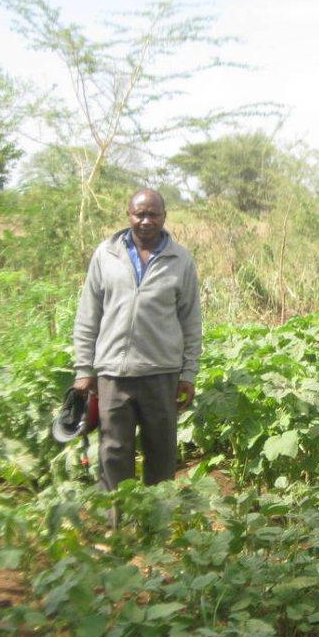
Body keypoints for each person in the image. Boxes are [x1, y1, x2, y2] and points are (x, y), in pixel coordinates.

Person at [72, 188, 202, 489]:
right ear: (128, 215)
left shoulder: (180, 260)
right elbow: (88, 315)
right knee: (113, 452)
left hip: (161, 374)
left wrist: (189, 373)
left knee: (161, 454)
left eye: (153, 214)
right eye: (139, 214)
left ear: (164, 217)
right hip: (113, 375)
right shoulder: (106, 255)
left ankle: (155, 526)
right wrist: (83, 369)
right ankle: (117, 527)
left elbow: (191, 322)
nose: (146, 221)